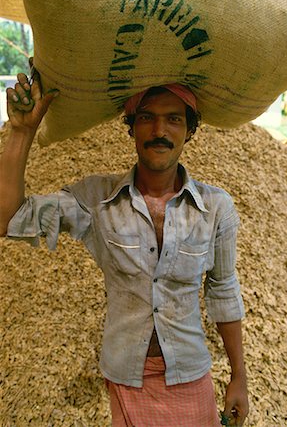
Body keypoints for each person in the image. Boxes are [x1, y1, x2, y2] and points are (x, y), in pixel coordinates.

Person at [0, 65, 249, 427]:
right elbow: (7, 220)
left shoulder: (216, 208)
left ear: (190, 131)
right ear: (130, 127)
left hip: (190, 374)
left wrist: (239, 375)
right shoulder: (97, 200)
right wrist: (21, 132)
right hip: (126, 377)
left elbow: (224, 291)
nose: (159, 131)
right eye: (146, 117)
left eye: (174, 119)